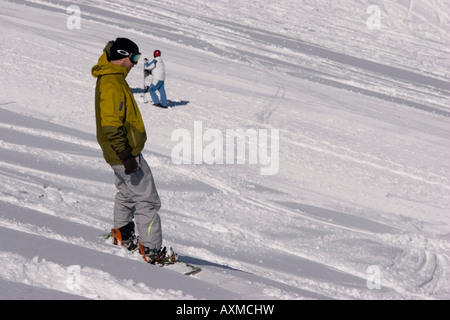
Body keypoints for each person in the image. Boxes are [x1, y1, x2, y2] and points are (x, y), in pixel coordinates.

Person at [91, 38, 165, 262]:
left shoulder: (112, 78)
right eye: (133, 58)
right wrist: (126, 155)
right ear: (122, 57)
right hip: (124, 153)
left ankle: (122, 235)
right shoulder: (112, 83)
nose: (134, 63)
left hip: (118, 152)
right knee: (147, 200)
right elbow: (110, 124)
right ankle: (151, 250)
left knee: (126, 192)